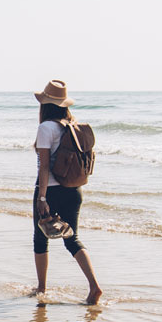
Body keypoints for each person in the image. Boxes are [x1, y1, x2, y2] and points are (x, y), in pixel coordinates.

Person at [32, 79, 104, 305]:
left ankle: (42, 288)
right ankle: (94, 287)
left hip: (50, 191)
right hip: (74, 190)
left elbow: (44, 166)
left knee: (40, 238)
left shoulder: (46, 128)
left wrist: (42, 197)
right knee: (73, 240)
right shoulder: (72, 126)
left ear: (45, 105)